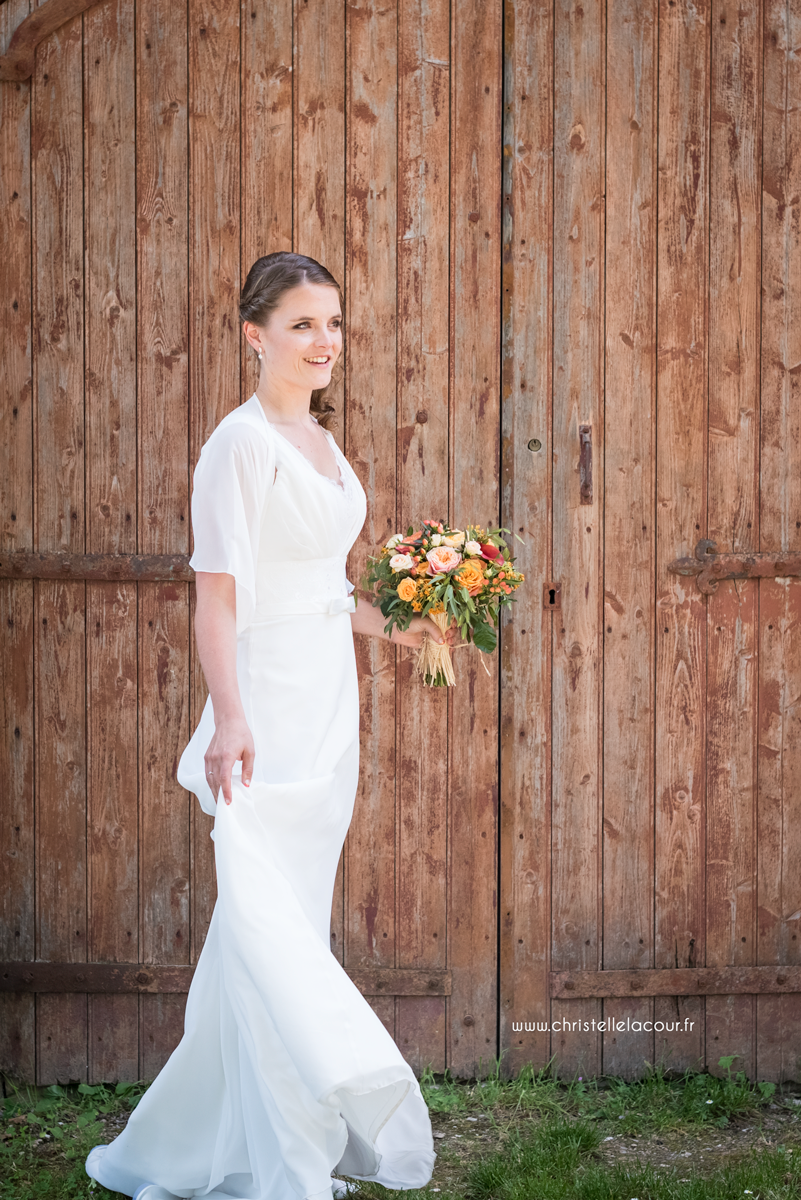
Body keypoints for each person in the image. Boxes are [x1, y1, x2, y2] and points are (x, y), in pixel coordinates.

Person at [85, 252, 459, 1200]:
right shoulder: (238, 445)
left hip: (328, 704)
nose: (323, 341)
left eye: (332, 323)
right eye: (301, 324)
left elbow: (325, 591)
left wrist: (403, 626)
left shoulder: (323, 443)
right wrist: (229, 719)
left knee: (279, 924)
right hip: (265, 709)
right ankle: (284, 1162)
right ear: (255, 336)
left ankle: (218, 1134)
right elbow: (217, 597)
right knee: (265, 922)